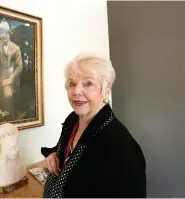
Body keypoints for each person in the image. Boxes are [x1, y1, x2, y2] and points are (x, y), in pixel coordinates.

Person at [41, 54, 146, 198]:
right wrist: (53, 154)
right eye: (72, 84)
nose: (77, 91)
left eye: (88, 84)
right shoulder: (73, 120)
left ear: (106, 90)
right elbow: (67, 151)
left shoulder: (122, 147)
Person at [0, 21, 23, 120]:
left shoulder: (16, 48)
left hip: (11, 79)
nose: (4, 35)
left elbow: (20, 67)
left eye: (6, 33)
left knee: (9, 100)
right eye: (2, 33)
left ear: (9, 34)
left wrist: (11, 79)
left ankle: (11, 121)